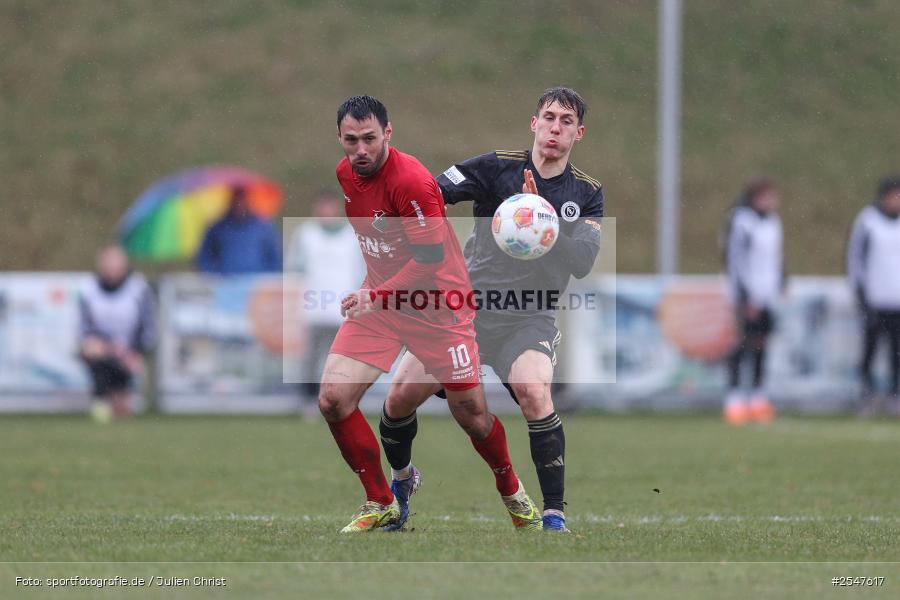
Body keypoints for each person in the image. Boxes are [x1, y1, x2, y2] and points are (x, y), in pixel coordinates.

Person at [380, 87, 605, 533]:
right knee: (398, 397)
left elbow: (583, 262)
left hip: (528, 316)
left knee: (535, 392)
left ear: (578, 133)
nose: (555, 128)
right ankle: (403, 482)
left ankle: (554, 514)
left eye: (565, 121)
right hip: (465, 312)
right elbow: (432, 192)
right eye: (548, 117)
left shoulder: (587, 192)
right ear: (534, 124)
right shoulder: (496, 167)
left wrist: (540, 218)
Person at [321, 95, 541, 533]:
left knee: (473, 417)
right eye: (351, 140)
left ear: (388, 133)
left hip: (438, 308)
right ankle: (380, 501)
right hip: (383, 304)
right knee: (332, 399)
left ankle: (513, 492)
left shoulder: (413, 182)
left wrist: (378, 293)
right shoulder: (346, 174)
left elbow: (428, 259)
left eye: (369, 139)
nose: (360, 149)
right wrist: (376, 291)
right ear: (340, 138)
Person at [285, 191, 365, 403]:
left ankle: (342, 399)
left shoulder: (352, 235)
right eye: (323, 206)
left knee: (344, 358)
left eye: (330, 206)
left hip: (344, 310)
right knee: (310, 358)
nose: (326, 211)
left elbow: (362, 271)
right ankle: (309, 400)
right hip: (313, 309)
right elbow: (294, 268)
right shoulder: (306, 234)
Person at [722, 179, 784, 425]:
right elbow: (735, 260)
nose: (771, 202)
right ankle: (734, 398)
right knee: (742, 344)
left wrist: (782, 281)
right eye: (766, 197)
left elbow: (775, 257)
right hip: (746, 294)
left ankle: (758, 397)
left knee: (762, 345)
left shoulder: (773, 222)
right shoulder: (741, 220)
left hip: (767, 293)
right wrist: (745, 297)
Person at [79, 245, 156, 418]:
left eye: (115, 265)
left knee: (124, 410)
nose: (111, 270)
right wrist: (109, 346)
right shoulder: (88, 289)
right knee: (91, 349)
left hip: (130, 351)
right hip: (103, 348)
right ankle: (101, 397)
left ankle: (122, 395)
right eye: (108, 264)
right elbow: (85, 329)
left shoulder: (138, 288)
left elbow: (148, 329)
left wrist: (137, 351)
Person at [847, 176, 900, 415]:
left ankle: (895, 394)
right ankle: (866, 394)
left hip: (897, 298)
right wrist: (860, 293)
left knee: (896, 351)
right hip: (875, 298)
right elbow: (855, 258)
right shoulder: (867, 221)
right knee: (870, 349)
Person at [196, 185, 282, 274]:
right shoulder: (218, 227)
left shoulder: (263, 226)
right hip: (226, 280)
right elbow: (205, 256)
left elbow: (274, 256)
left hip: (257, 280)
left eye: (243, 200)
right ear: (231, 202)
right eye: (237, 200)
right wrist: (213, 273)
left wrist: (267, 275)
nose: (240, 205)